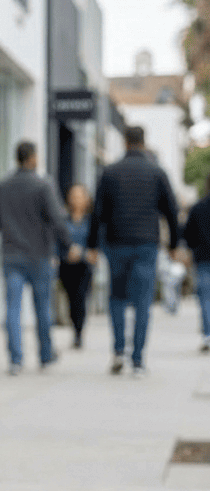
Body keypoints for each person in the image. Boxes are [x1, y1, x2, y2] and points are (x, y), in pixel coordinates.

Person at [87, 125, 181, 376]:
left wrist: (92, 245)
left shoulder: (110, 172)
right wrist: (174, 245)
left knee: (117, 297)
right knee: (142, 301)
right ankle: (138, 359)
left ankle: (119, 351)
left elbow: (97, 212)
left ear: (125, 142)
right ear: (143, 142)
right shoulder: (156, 172)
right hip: (146, 244)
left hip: (116, 243)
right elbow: (171, 210)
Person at [0, 139, 81, 374]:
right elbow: (57, 219)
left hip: (11, 255)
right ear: (32, 158)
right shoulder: (43, 185)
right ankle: (45, 355)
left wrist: (11, 229)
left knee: (13, 308)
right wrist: (68, 244)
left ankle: (15, 359)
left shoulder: (3, 185)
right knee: (42, 307)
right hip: (39, 255)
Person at [58, 183, 93, 348]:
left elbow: (95, 243)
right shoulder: (63, 220)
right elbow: (58, 241)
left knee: (81, 298)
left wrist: (84, 253)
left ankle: (79, 332)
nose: (76, 200)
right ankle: (75, 326)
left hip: (84, 266)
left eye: (80, 196)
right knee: (71, 299)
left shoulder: (91, 221)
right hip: (67, 265)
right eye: (73, 196)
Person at [183, 180, 210, 353]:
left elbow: (188, 234)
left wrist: (192, 250)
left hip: (202, 258)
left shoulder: (197, 208)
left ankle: (208, 335)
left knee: (205, 298)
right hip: (202, 258)